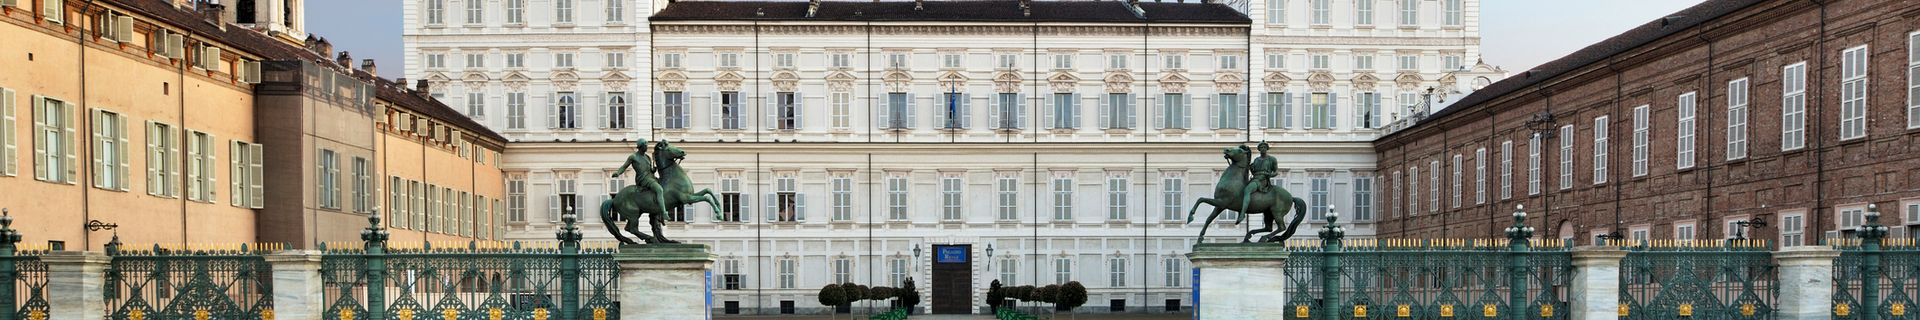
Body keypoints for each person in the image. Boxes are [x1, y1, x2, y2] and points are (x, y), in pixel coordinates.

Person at [613, 139, 671, 217]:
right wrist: (618, 173)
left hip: (651, 177)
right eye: (646, 145)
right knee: (659, 190)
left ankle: (657, 212)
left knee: (665, 186)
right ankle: (664, 213)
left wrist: (653, 170)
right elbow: (624, 167)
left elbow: (649, 170)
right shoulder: (633, 157)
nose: (647, 147)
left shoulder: (647, 157)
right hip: (643, 179)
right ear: (641, 147)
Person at [1239, 141, 1278, 220]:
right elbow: (1253, 171)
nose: (1263, 149)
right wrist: (1250, 168)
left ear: (1267, 148)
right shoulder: (1256, 160)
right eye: (1261, 148)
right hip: (1255, 178)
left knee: (1247, 190)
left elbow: (1276, 171)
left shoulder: (1272, 159)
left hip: (1263, 180)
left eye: (1264, 147)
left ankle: (1242, 214)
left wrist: (1270, 175)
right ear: (1259, 149)